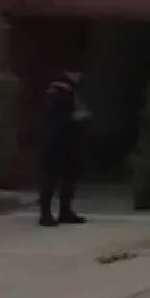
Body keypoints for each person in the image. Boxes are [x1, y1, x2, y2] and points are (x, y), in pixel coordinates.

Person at [37, 69, 89, 227]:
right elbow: (51, 116)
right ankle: (45, 213)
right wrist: (74, 117)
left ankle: (65, 210)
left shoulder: (72, 91)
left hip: (69, 142)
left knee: (69, 176)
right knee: (50, 178)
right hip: (54, 142)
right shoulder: (56, 91)